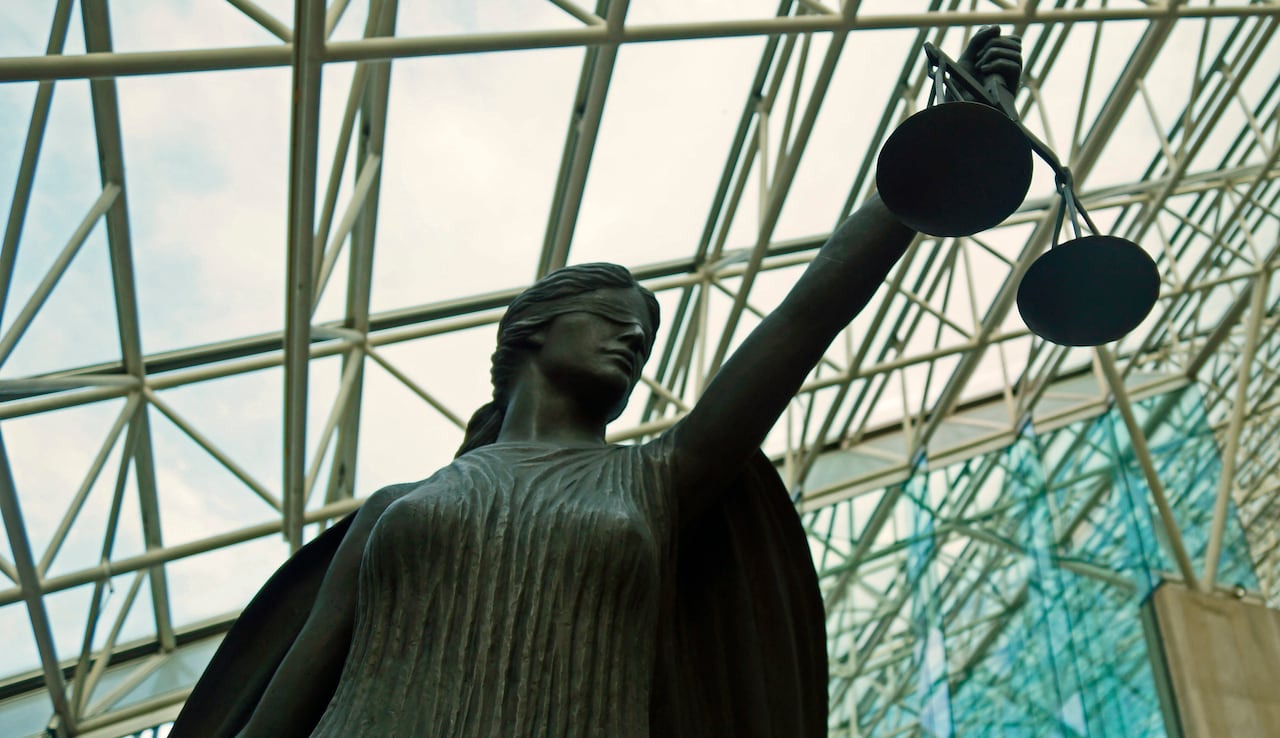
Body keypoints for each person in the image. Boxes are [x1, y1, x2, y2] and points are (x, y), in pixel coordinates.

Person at [174, 27, 1021, 738]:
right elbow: (282, 706)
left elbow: (804, 318)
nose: (633, 340)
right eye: (613, 318)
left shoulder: (656, 480)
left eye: (647, 337)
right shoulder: (394, 508)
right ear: (530, 331)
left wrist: (952, 148)